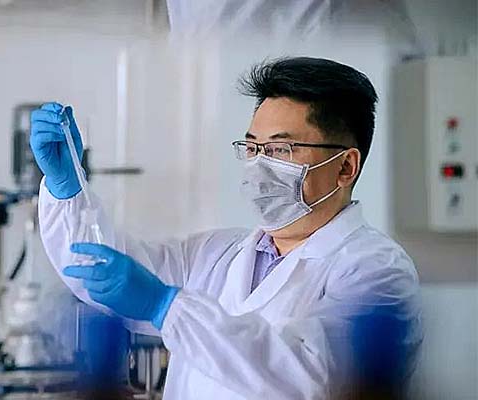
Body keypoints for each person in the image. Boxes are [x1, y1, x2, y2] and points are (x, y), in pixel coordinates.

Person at [30, 57, 422, 399]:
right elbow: (96, 271)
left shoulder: (377, 270)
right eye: (252, 148)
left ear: (345, 167)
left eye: (280, 150)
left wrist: (167, 307)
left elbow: (315, 379)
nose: (258, 165)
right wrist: (69, 191)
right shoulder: (216, 253)